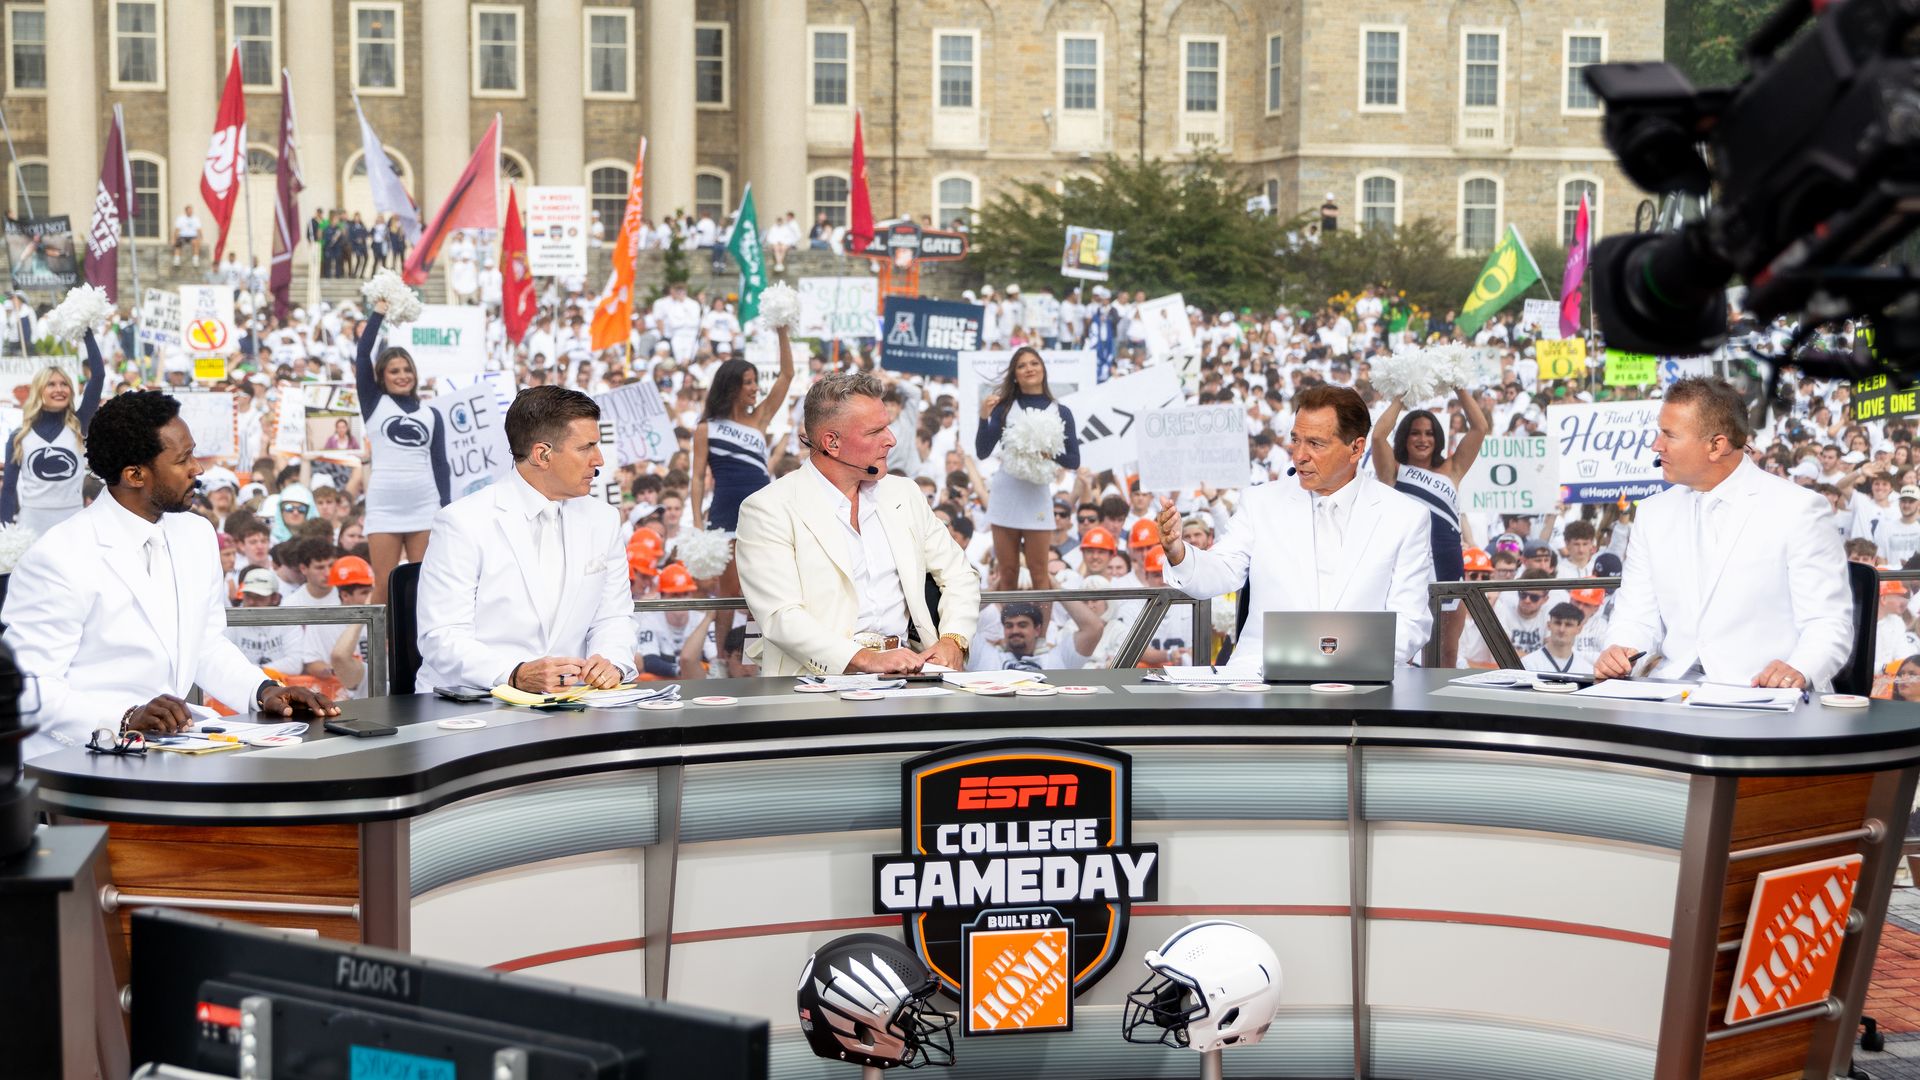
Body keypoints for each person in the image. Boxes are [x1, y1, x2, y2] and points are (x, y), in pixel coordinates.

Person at [4, 391, 336, 758]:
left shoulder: (196, 534)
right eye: (183, 460)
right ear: (134, 475)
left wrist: (264, 691)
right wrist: (124, 717)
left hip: (174, 750)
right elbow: (28, 687)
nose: (198, 468)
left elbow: (206, 645)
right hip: (78, 761)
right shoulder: (59, 556)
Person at [1155, 384, 1433, 675]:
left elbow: (1411, 622)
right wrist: (1177, 552)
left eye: (1315, 444)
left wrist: (1341, 664)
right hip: (1260, 683)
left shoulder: (1405, 517)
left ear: (1356, 448)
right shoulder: (1259, 503)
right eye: (1295, 440)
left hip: (1361, 686)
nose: (1299, 455)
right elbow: (1220, 571)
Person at [1595, 377, 1852, 689]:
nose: (1655, 445)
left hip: (1765, 701)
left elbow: (1827, 623)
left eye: (1669, 435)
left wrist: (1798, 669)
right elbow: (1635, 615)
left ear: (1716, 445)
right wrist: (1620, 650)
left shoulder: (1799, 510)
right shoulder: (1652, 513)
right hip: (1671, 699)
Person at [735, 372, 980, 676]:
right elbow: (781, 617)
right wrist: (864, 658)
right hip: (813, 689)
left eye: (888, 426)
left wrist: (953, 641)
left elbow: (960, 574)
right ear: (832, 443)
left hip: (914, 678)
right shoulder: (767, 509)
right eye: (876, 431)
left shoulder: (905, 493)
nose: (891, 439)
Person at [415, 386, 637, 693]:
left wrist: (611, 662)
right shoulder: (462, 522)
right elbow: (442, 637)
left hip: (574, 705)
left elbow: (614, 617)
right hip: (473, 704)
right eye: (586, 447)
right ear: (542, 455)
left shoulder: (604, 520)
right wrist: (514, 674)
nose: (598, 459)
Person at [1371, 386, 1489, 666]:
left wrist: (1459, 385)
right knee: (1402, 654)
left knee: (1446, 653)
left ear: (1438, 439)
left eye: (1429, 433)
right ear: (1404, 437)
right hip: (1408, 569)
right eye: (1415, 432)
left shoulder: (1453, 469)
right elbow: (1377, 435)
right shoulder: (1393, 470)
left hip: (1449, 568)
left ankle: (1440, 710)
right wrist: (1402, 392)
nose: (1423, 439)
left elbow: (1480, 428)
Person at [689, 322, 796, 605]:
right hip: (725, 511)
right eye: (748, 382)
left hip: (762, 509)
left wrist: (782, 330)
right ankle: (724, 651)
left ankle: (755, 648)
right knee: (728, 591)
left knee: (763, 590)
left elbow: (787, 375)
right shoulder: (706, 428)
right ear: (731, 386)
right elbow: (698, 478)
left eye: (755, 381)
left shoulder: (760, 418)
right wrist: (698, 523)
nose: (755, 388)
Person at [357, 296, 452, 603]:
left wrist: (445, 507)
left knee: (423, 586)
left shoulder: (431, 414)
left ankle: (418, 651)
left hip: (424, 505)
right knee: (383, 587)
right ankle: (382, 649)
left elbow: (441, 464)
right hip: (384, 506)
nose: (402, 376)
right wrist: (378, 313)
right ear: (383, 376)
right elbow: (362, 355)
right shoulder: (374, 404)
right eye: (394, 370)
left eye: (406, 369)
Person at [976, 346, 1081, 592]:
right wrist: (983, 417)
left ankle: (1041, 632)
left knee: (1038, 571)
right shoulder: (1003, 409)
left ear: (1043, 369)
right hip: (1005, 495)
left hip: (1037, 496)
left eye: (1034, 363)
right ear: (1015, 374)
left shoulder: (1061, 411)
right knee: (1008, 571)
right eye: (1021, 365)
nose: (1029, 369)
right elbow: (982, 450)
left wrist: (1046, 452)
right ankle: (1010, 628)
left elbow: (1074, 460)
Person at [1, 328, 105, 533]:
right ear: (39, 391)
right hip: (31, 525)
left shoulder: (78, 424)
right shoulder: (18, 436)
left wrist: (86, 330)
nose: (59, 389)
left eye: (64, 384)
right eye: (51, 384)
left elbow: (98, 375)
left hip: (72, 522)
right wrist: (4, 535)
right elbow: (8, 491)